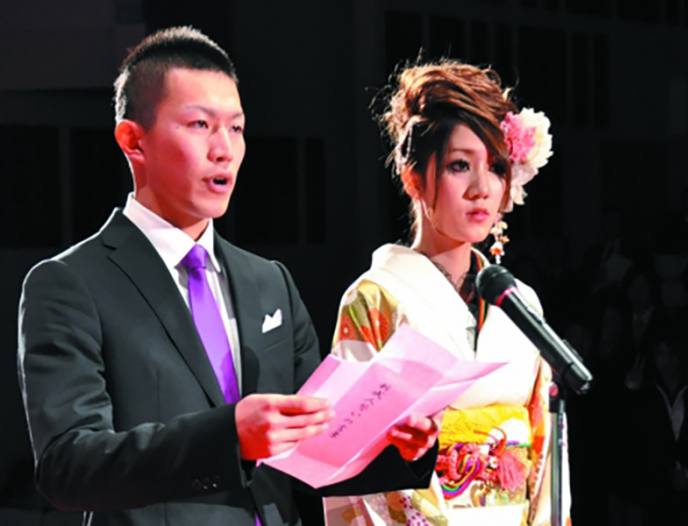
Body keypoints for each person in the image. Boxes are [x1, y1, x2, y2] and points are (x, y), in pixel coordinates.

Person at [17, 27, 439, 526]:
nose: (224, 149)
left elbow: (314, 450)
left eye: (236, 128)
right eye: (199, 124)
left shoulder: (269, 282)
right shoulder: (70, 284)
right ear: (133, 141)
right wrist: (229, 438)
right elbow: (68, 467)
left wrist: (397, 448)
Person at [323, 60, 569, 525]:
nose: (482, 188)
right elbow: (359, 457)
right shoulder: (375, 298)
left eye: (495, 167)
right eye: (460, 166)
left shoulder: (521, 302)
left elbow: (544, 449)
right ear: (414, 177)